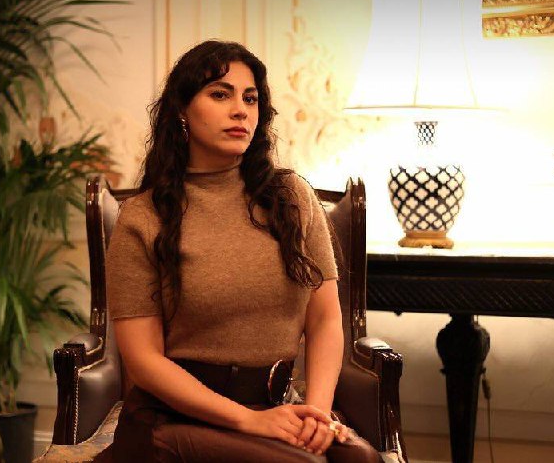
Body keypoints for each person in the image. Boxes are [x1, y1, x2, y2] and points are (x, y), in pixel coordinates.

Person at [96, 40, 381, 462]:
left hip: (276, 404)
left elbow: (324, 320)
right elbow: (143, 361)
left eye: (250, 98)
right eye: (220, 95)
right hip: (174, 419)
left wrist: (318, 415)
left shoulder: (292, 198)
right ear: (181, 110)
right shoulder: (143, 217)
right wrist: (250, 421)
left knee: (360, 459)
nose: (240, 111)